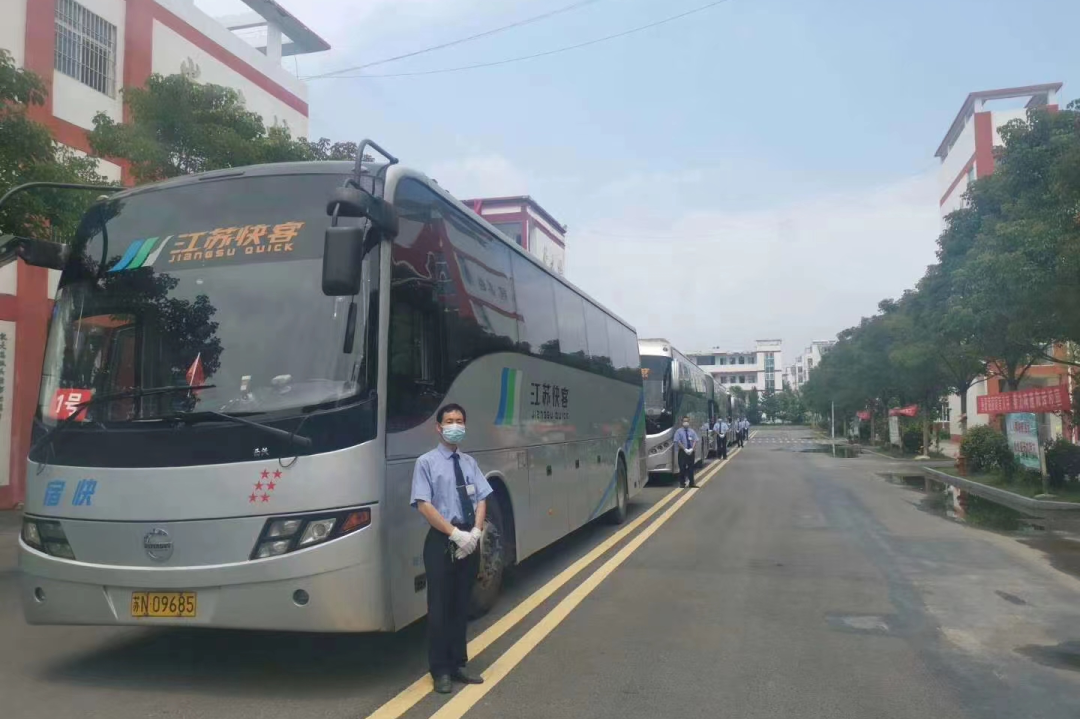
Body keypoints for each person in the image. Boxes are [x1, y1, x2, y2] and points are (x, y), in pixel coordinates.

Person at [410, 403, 493, 694]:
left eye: (459, 420)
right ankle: (440, 670)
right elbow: (424, 504)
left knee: (461, 605)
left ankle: (458, 663)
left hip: (469, 539)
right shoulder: (426, 463)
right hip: (441, 541)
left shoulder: (469, 463)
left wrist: (475, 533)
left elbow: (482, 497)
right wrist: (455, 534)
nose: (454, 425)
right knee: (440, 608)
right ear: (439, 427)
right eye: (449, 421)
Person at [674, 415, 698, 488]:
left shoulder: (692, 431)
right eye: (684, 421)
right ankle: (682, 483)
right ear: (682, 422)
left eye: (687, 421)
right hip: (682, 452)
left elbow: (695, 440)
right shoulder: (678, 431)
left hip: (691, 451)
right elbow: (677, 441)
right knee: (682, 468)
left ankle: (692, 483)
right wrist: (685, 449)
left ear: (689, 422)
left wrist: (692, 449)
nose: (686, 423)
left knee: (691, 468)